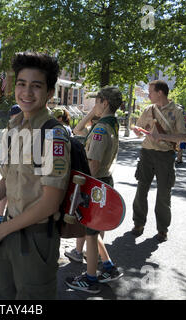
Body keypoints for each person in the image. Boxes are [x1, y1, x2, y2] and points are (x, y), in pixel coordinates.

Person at [0, 52, 71, 299]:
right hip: (8, 229)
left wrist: (1, 231)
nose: (27, 92)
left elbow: (50, 203)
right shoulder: (14, 126)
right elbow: (9, 178)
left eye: (36, 86)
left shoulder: (53, 134)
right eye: (21, 84)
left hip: (37, 238)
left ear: (49, 93)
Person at [65, 86, 124, 294]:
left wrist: (80, 191)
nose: (93, 106)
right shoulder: (111, 124)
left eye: (96, 102)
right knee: (93, 230)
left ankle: (90, 279)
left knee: (90, 233)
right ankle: (108, 266)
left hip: (95, 183)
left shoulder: (100, 130)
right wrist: (93, 112)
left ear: (104, 102)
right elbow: (78, 130)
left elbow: (93, 165)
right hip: (105, 181)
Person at [132, 80, 186, 242]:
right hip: (146, 153)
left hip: (165, 156)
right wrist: (137, 130)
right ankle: (138, 224)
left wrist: (163, 136)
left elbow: (185, 137)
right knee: (141, 189)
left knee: (164, 193)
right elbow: (139, 131)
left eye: (151, 92)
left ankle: (162, 229)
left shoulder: (177, 111)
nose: (148, 94)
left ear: (160, 93)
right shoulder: (148, 110)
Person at [0, 104, 22, 225]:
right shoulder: (11, 130)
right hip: (10, 166)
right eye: (16, 115)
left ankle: (2, 218)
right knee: (5, 192)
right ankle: (0, 218)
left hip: (14, 165)